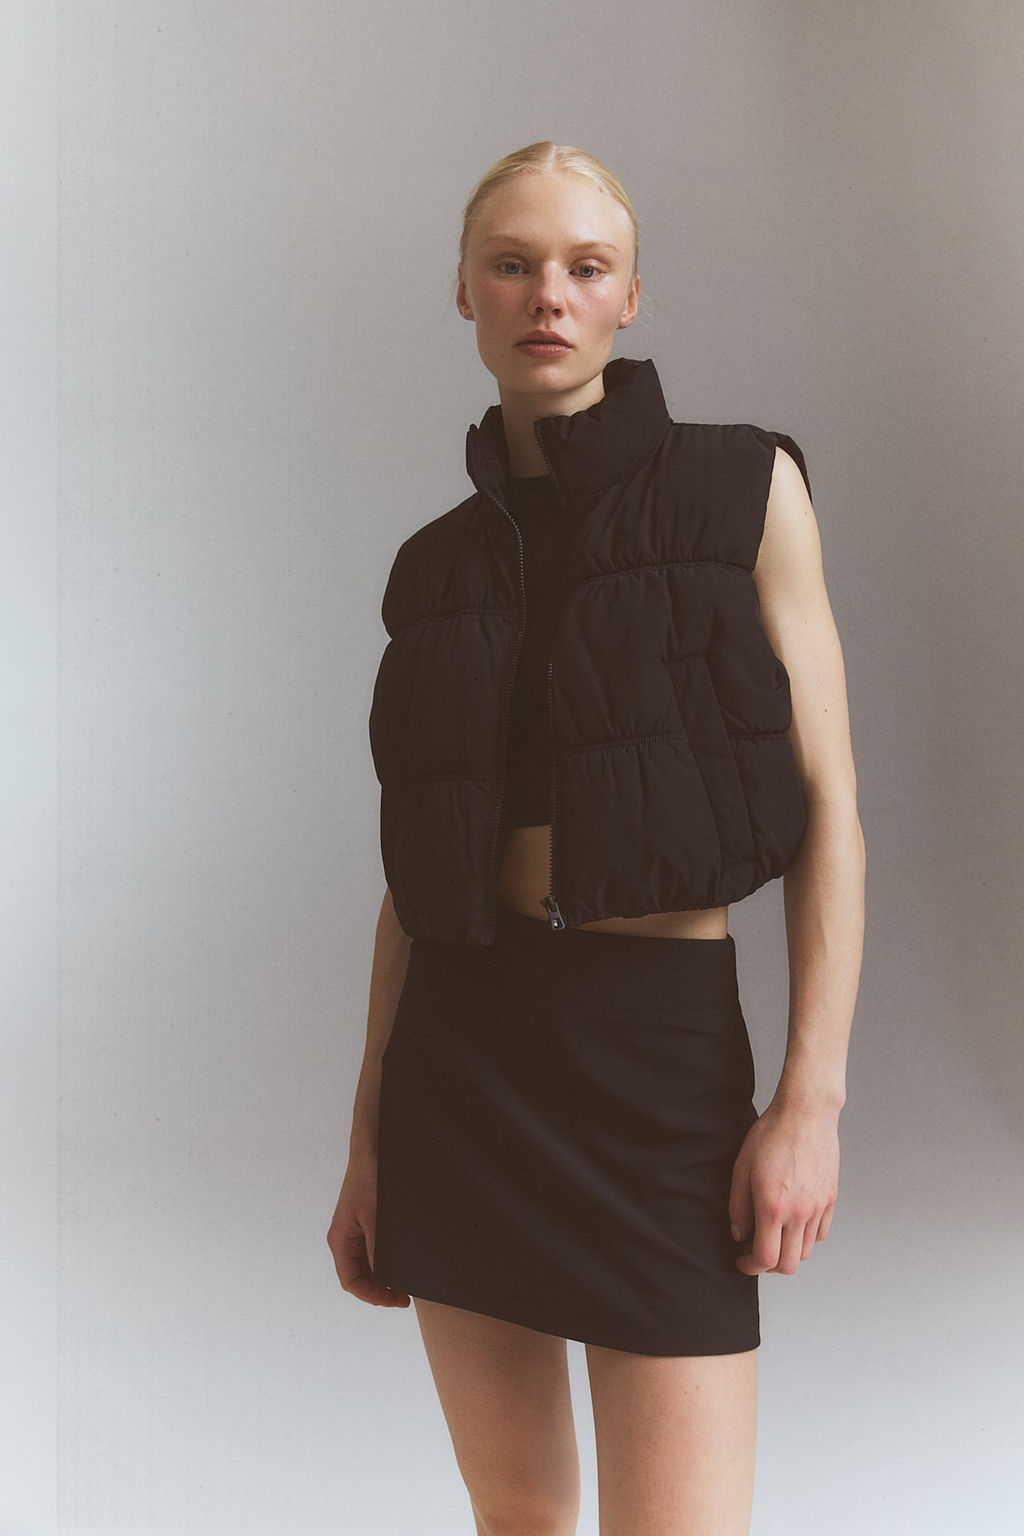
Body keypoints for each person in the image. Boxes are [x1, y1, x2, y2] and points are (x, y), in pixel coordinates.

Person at [327, 141, 865, 1536]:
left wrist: (808, 1102)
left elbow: (830, 814)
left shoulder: (745, 487)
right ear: (465, 290)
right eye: (512, 265)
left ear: (632, 296)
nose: (547, 297)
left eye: (586, 267)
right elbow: (413, 885)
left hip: (658, 1060)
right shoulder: (435, 568)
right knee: (517, 1516)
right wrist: (369, 1142)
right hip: (463, 1063)